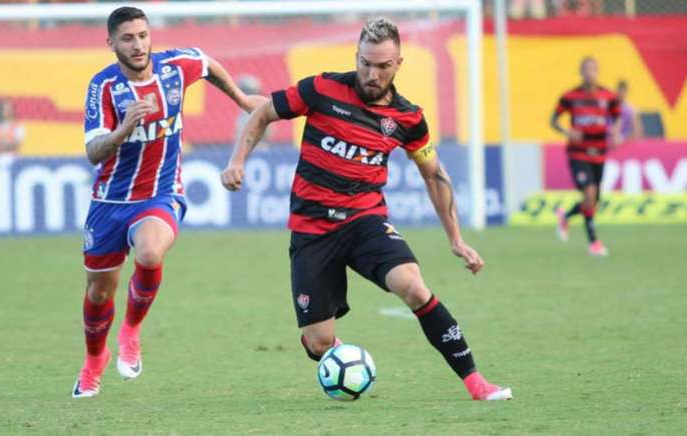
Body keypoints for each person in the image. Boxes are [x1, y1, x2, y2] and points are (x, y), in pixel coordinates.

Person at [221, 18, 512, 401]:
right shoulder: (322, 88)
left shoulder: (407, 118)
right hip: (312, 230)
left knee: (412, 285)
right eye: (365, 63)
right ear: (356, 56)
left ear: (398, 64)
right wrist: (237, 160)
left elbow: (434, 174)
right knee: (317, 342)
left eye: (382, 66)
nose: (372, 74)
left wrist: (456, 238)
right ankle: (340, 355)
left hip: (365, 221)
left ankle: (476, 383)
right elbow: (263, 114)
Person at [73, 6, 265, 398]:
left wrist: (243, 100)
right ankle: (95, 359)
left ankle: (130, 332)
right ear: (111, 43)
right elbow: (94, 151)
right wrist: (124, 128)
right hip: (110, 200)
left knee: (149, 252)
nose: (138, 44)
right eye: (127, 38)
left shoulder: (175, 66)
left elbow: (208, 64)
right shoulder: (103, 86)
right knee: (98, 292)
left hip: (160, 193)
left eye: (142, 35)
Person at [551, 57, 621, 256]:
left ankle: (565, 216)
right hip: (578, 152)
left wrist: (615, 132)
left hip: (599, 152)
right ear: (581, 72)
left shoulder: (608, 96)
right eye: (586, 69)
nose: (590, 72)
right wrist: (567, 132)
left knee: (593, 200)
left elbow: (616, 117)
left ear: (597, 71)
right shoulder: (570, 96)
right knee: (589, 193)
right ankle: (594, 243)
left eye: (593, 69)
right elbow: (554, 120)